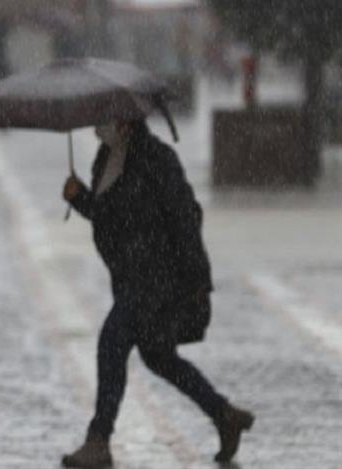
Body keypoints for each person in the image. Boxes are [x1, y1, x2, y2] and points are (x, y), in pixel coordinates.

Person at [60, 119, 254, 467]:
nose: (98, 126)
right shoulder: (105, 159)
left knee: (112, 341)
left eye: (106, 118)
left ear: (125, 122)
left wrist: (197, 280)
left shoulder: (156, 158)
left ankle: (99, 440)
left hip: (158, 276)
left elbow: (185, 218)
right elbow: (110, 218)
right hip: (131, 276)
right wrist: (80, 199)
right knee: (158, 356)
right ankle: (224, 415)